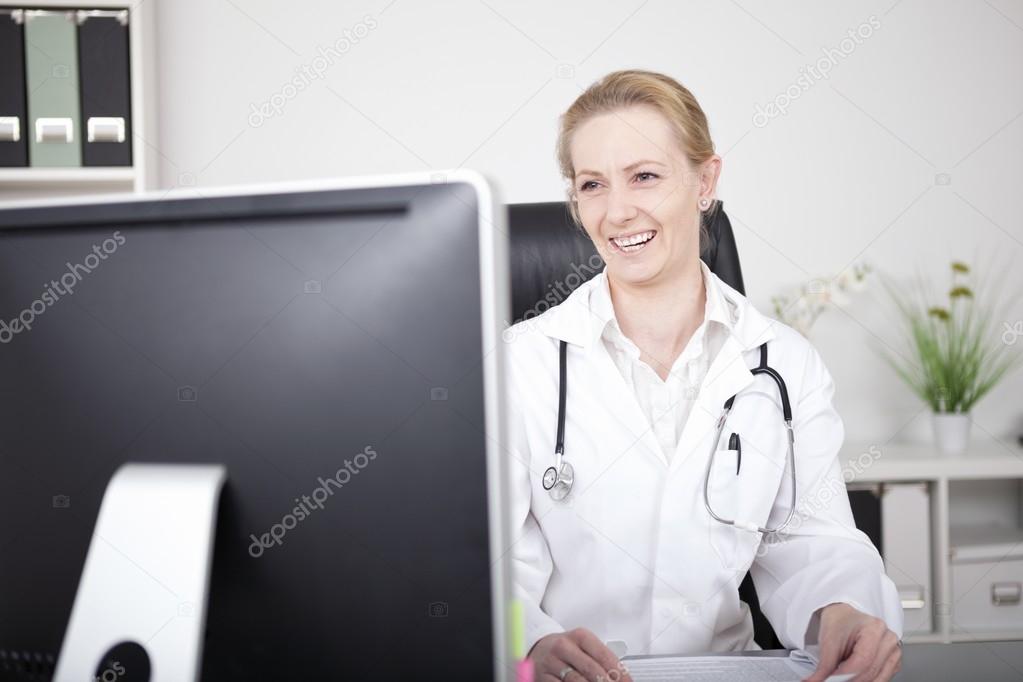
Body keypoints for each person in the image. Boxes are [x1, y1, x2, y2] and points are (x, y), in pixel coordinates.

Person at [504, 69, 903, 682]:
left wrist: (840, 612)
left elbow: (811, 541)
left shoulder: (783, 364)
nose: (616, 211)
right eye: (592, 184)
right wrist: (530, 644)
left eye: (645, 176)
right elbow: (488, 569)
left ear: (705, 181)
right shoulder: (518, 366)